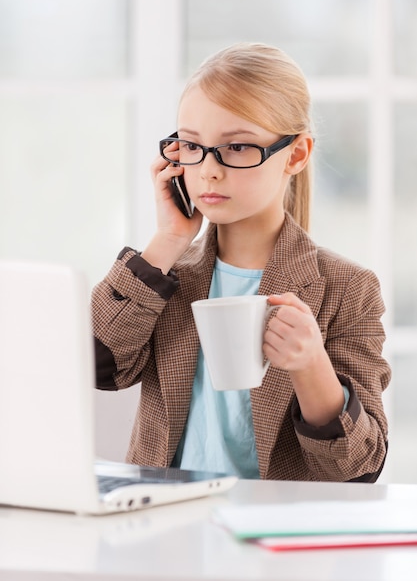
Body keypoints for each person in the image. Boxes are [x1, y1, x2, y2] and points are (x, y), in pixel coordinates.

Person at [92, 42, 391, 482]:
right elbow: (100, 365)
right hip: (167, 525)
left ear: (296, 154)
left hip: (274, 529)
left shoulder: (348, 288)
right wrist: (170, 238)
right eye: (192, 145)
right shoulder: (164, 276)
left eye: (237, 148)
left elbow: (357, 469)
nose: (209, 170)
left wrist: (311, 366)